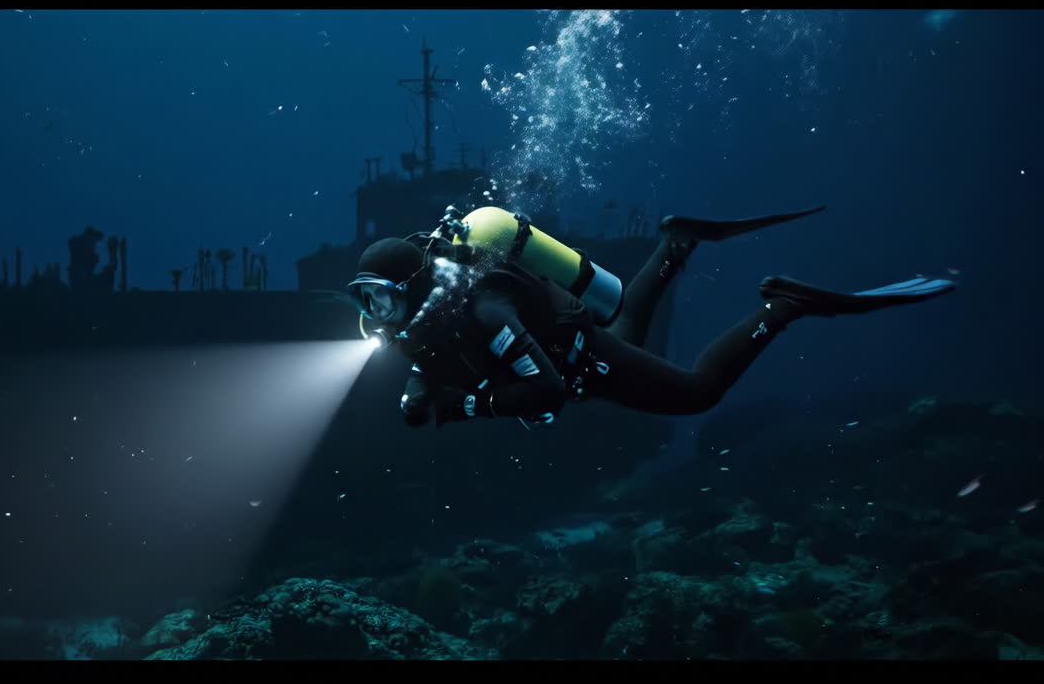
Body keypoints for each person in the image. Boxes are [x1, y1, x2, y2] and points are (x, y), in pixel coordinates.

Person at [345, 206, 954, 428]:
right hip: (578, 343)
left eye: (378, 295)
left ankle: (786, 305)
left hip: (576, 361)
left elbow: (548, 391)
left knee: (696, 394)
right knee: (627, 323)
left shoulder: (484, 305)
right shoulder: (417, 320)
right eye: (364, 298)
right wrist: (419, 389)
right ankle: (677, 242)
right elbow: (433, 361)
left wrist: (464, 407)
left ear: (415, 282)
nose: (373, 312)